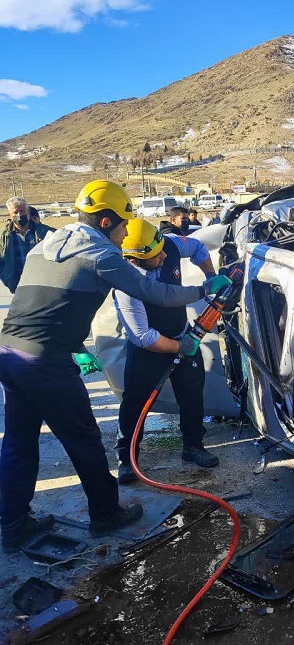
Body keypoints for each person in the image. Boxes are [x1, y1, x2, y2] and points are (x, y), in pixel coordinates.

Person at [0, 180, 228, 552]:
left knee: (18, 442)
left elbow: (43, 307)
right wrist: (205, 290)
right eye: (123, 225)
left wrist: (76, 345)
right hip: (46, 362)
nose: (125, 233)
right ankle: (106, 514)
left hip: (9, 353)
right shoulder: (101, 253)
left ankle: (12, 524)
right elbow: (155, 293)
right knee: (84, 440)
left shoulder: (45, 245)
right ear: (105, 221)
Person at [114, 219, 231, 483]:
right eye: (157, 256)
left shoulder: (167, 245)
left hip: (180, 333)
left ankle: (193, 446)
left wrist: (210, 276)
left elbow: (198, 247)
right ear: (135, 260)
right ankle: (127, 458)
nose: (165, 256)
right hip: (148, 351)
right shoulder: (126, 283)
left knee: (192, 394)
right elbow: (144, 336)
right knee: (135, 402)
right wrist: (180, 347)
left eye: (163, 249)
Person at [0, 197, 52, 293]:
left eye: (22, 211)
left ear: (27, 211)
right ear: (10, 215)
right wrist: (8, 280)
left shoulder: (44, 231)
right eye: (15, 212)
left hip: (43, 283)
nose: (19, 215)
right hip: (19, 286)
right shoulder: (5, 237)